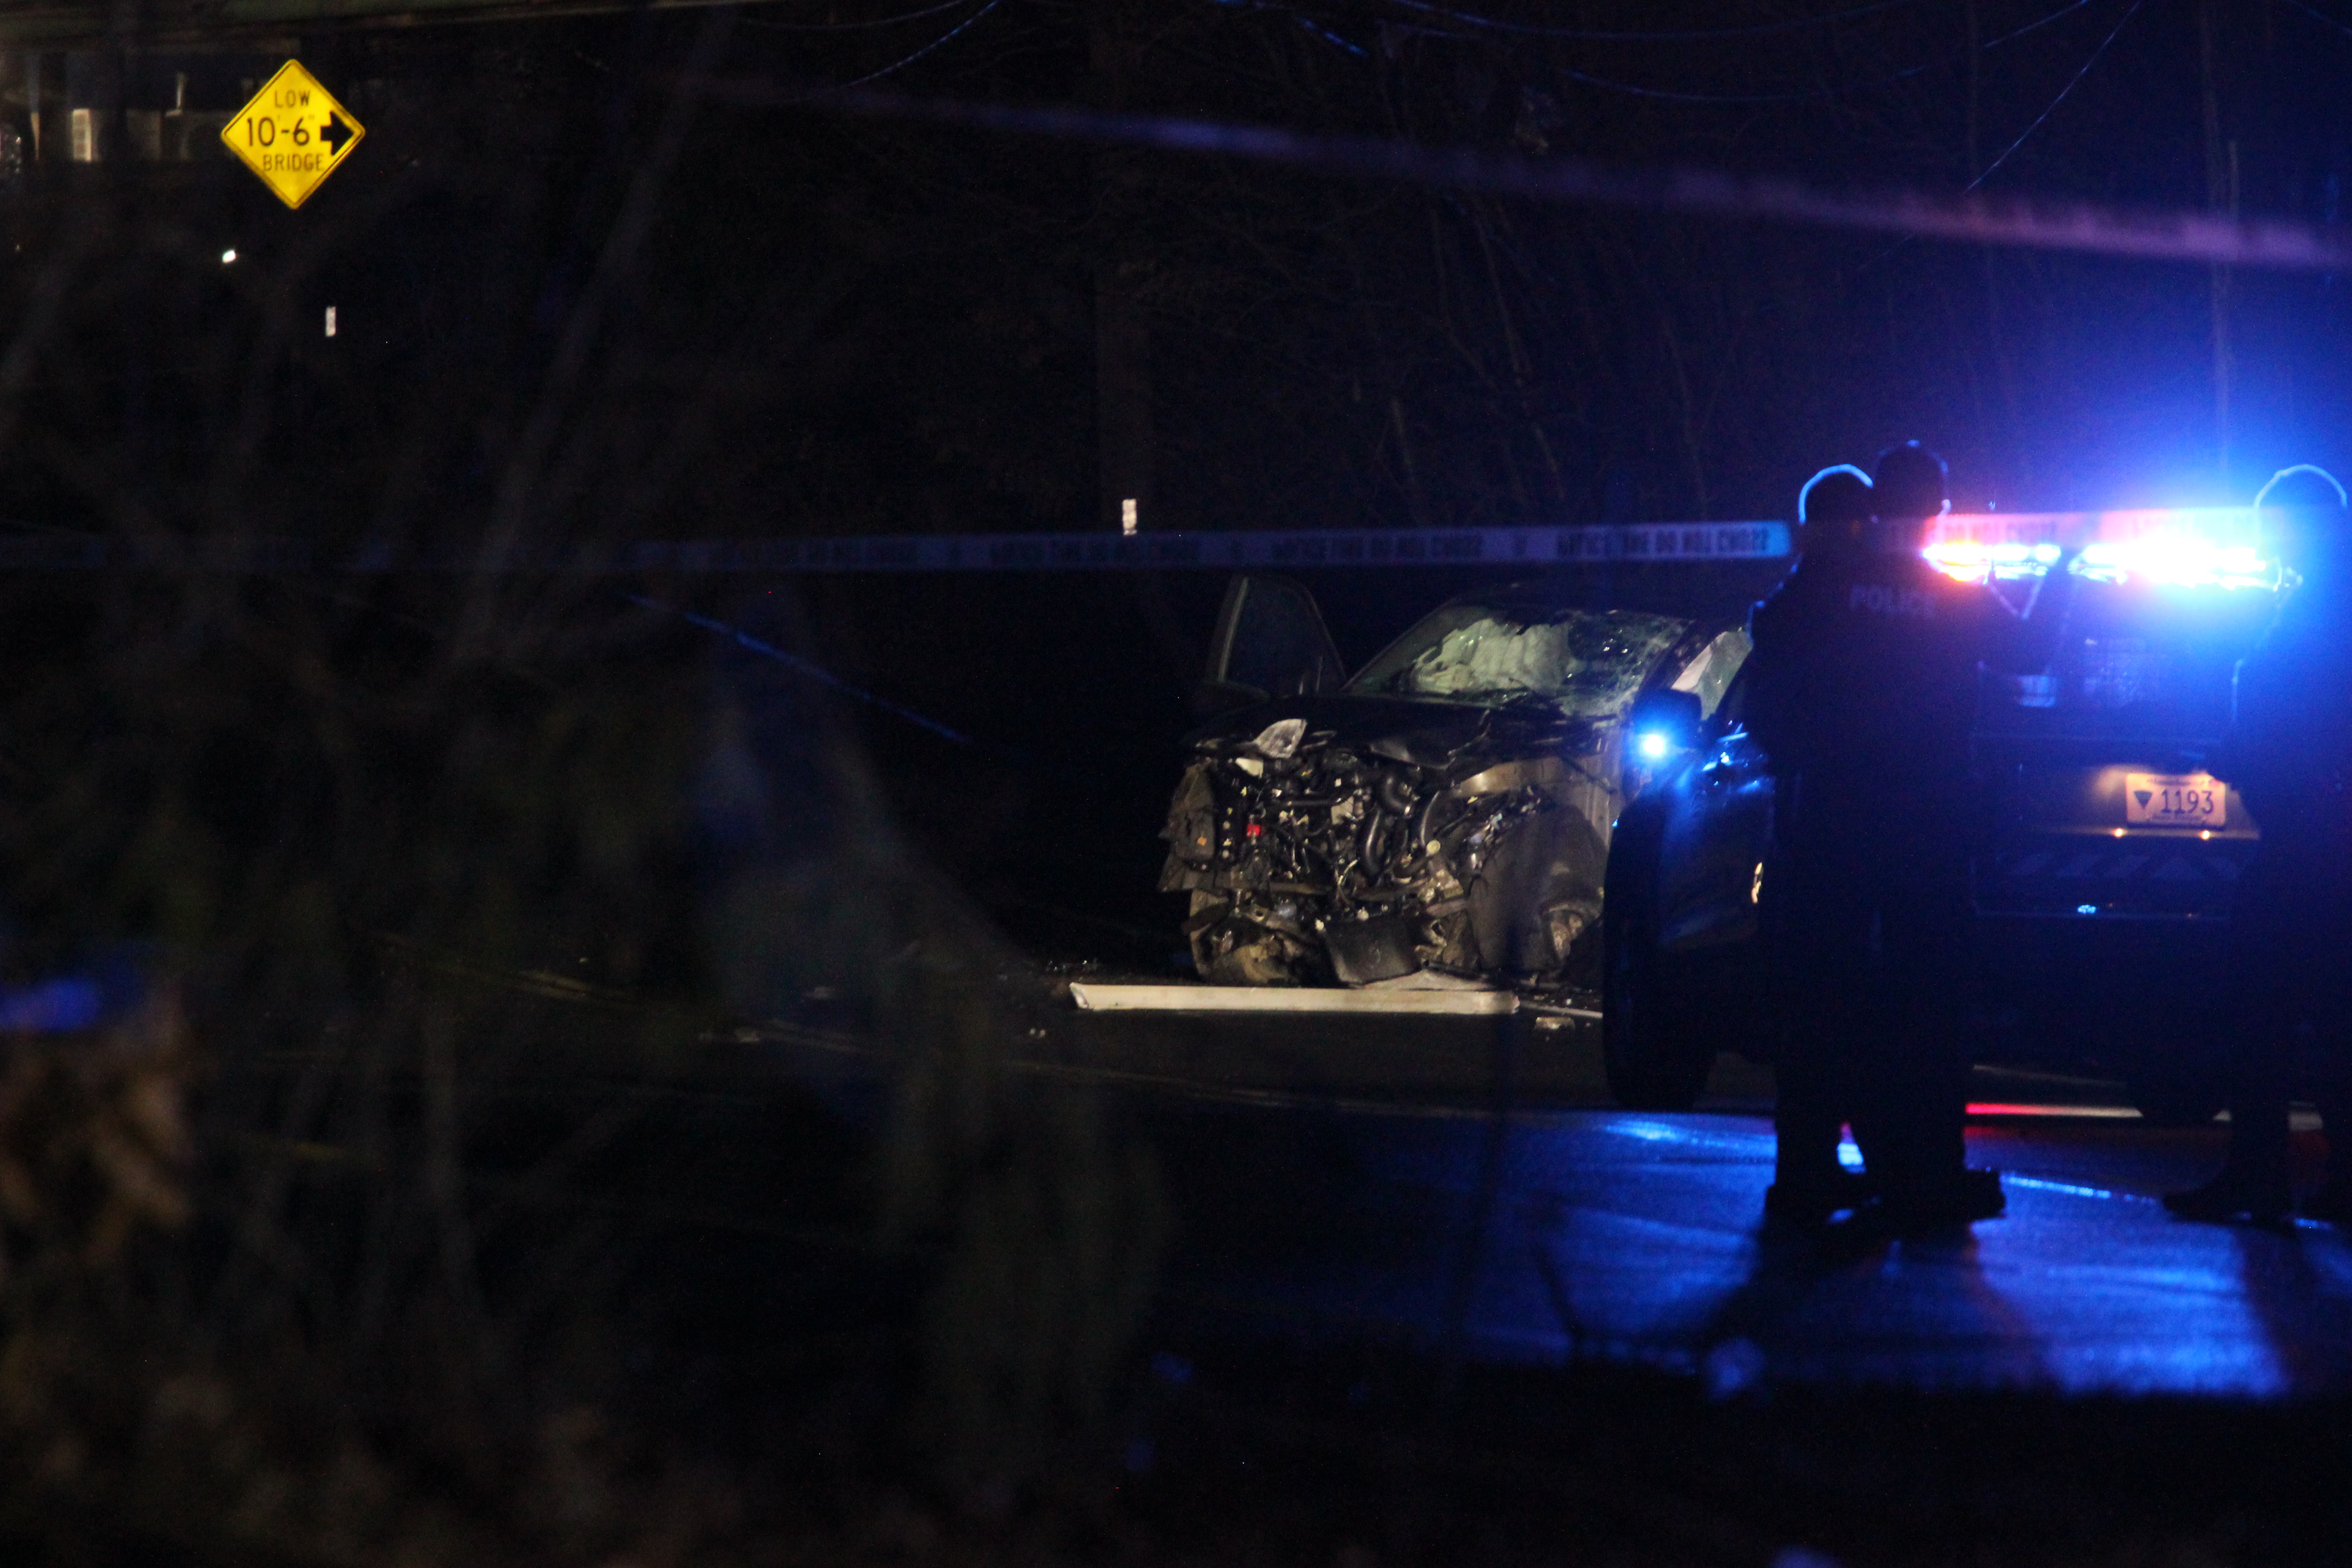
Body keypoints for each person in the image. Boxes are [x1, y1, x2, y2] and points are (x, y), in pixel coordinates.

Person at [1745, 443, 2079, 1228]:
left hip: (1830, 822)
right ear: (1936, 513)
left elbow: (1767, 632)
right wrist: (2061, 567)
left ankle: (1808, 1174)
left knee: (1821, 1000)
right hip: (1925, 830)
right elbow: (2030, 653)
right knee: (1928, 1006)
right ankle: (1926, 1170)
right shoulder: (1952, 596)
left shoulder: (1828, 586)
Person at [2166, 466, 2352, 1226]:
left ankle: (2258, 1178)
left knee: (2259, 1015)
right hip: (2321, 840)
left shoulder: (2315, 611)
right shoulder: (2317, 602)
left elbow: (2292, 724)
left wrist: (2231, 754)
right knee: (2331, 1019)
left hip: (2308, 843)